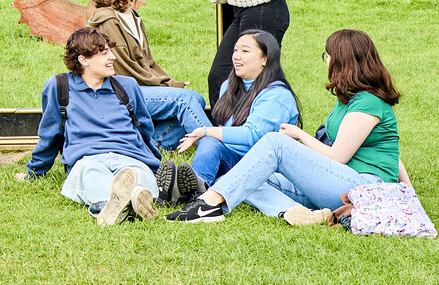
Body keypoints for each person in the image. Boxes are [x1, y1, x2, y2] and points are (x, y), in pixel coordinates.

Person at [170, 28, 402, 225]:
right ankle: (295, 212)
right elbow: (394, 154)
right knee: (245, 173)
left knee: (274, 142)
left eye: (329, 55)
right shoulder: (349, 100)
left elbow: (338, 156)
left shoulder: (368, 102)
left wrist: (299, 135)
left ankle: (208, 204)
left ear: (344, 61)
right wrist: (408, 190)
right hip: (339, 184)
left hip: (364, 188)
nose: (327, 61)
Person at [83, 0, 211, 200]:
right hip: (121, 89)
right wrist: (170, 88)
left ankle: (156, 143)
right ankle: (213, 152)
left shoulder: (133, 16)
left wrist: (169, 81)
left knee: (195, 98)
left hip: (140, 86)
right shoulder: (108, 20)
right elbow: (125, 67)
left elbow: (148, 62)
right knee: (184, 101)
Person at [22, 27, 163, 226]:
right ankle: (128, 202)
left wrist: (154, 164)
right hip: (87, 159)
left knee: (139, 175)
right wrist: (34, 172)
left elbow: (144, 129)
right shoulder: (59, 87)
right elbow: (50, 134)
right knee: (89, 174)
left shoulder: (127, 86)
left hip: (130, 158)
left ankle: (115, 205)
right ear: (83, 60)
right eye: (104, 53)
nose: (113, 57)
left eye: (110, 51)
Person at [176, 29, 301, 195]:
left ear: (265, 59)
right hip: (234, 160)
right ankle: (192, 188)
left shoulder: (277, 95)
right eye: (235, 50)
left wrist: (207, 131)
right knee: (210, 143)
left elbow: (253, 136)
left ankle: (193, 193)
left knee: (210, 140)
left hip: (263, 169)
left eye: (245, 51)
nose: (237, 56)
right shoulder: (228, 87)